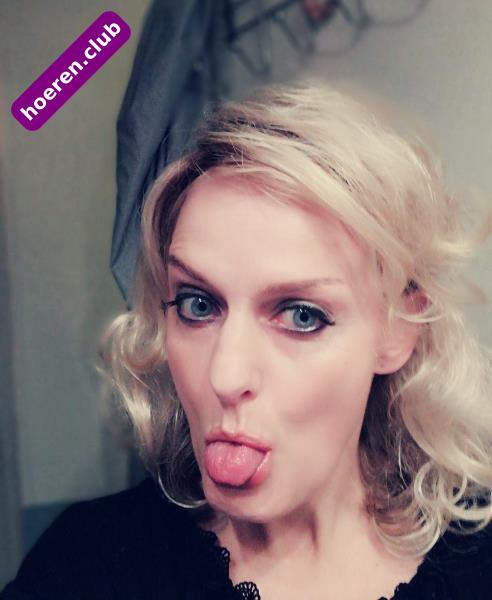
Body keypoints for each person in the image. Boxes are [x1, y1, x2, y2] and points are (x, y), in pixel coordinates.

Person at [3, 81, 492, 599]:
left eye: (302, 316)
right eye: (198, 304)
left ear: (397, 330)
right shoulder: (85, 566)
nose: (225, 375)